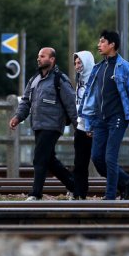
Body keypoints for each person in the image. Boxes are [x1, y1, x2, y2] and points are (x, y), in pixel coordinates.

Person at [79, 30, 129, 200]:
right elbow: (92, 97)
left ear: (112, 44)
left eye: (102, 42)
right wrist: (89, 123)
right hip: (100, 120)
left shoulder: (124, 67)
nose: (98, 45)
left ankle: (110, 197)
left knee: (110, 157)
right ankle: (127, 182)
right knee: (97, 157)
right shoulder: (98, 68)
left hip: (118, 118)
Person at [9, 47, 78, 201]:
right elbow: (26, 101)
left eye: (42, 56)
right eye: (38, 56)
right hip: (38, 125)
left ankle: (35, 194)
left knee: (39, 158)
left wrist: (78, 126)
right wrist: (18, 117)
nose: (38, 59)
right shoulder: (34, 80)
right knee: (49, 160)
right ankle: (74, 186)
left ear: (52, 59)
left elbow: (71, 104)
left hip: (53, 126)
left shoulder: (60, 79)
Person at [70, 50, 96, 200]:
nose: (77, 66)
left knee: (101, 161)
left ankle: (124, 183)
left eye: (79, 62)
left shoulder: (95, 79)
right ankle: (79, 193)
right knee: (79, 163)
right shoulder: (80, 80)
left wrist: (91, 125)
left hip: (92, 127)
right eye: (75, 63)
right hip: (81, 127)